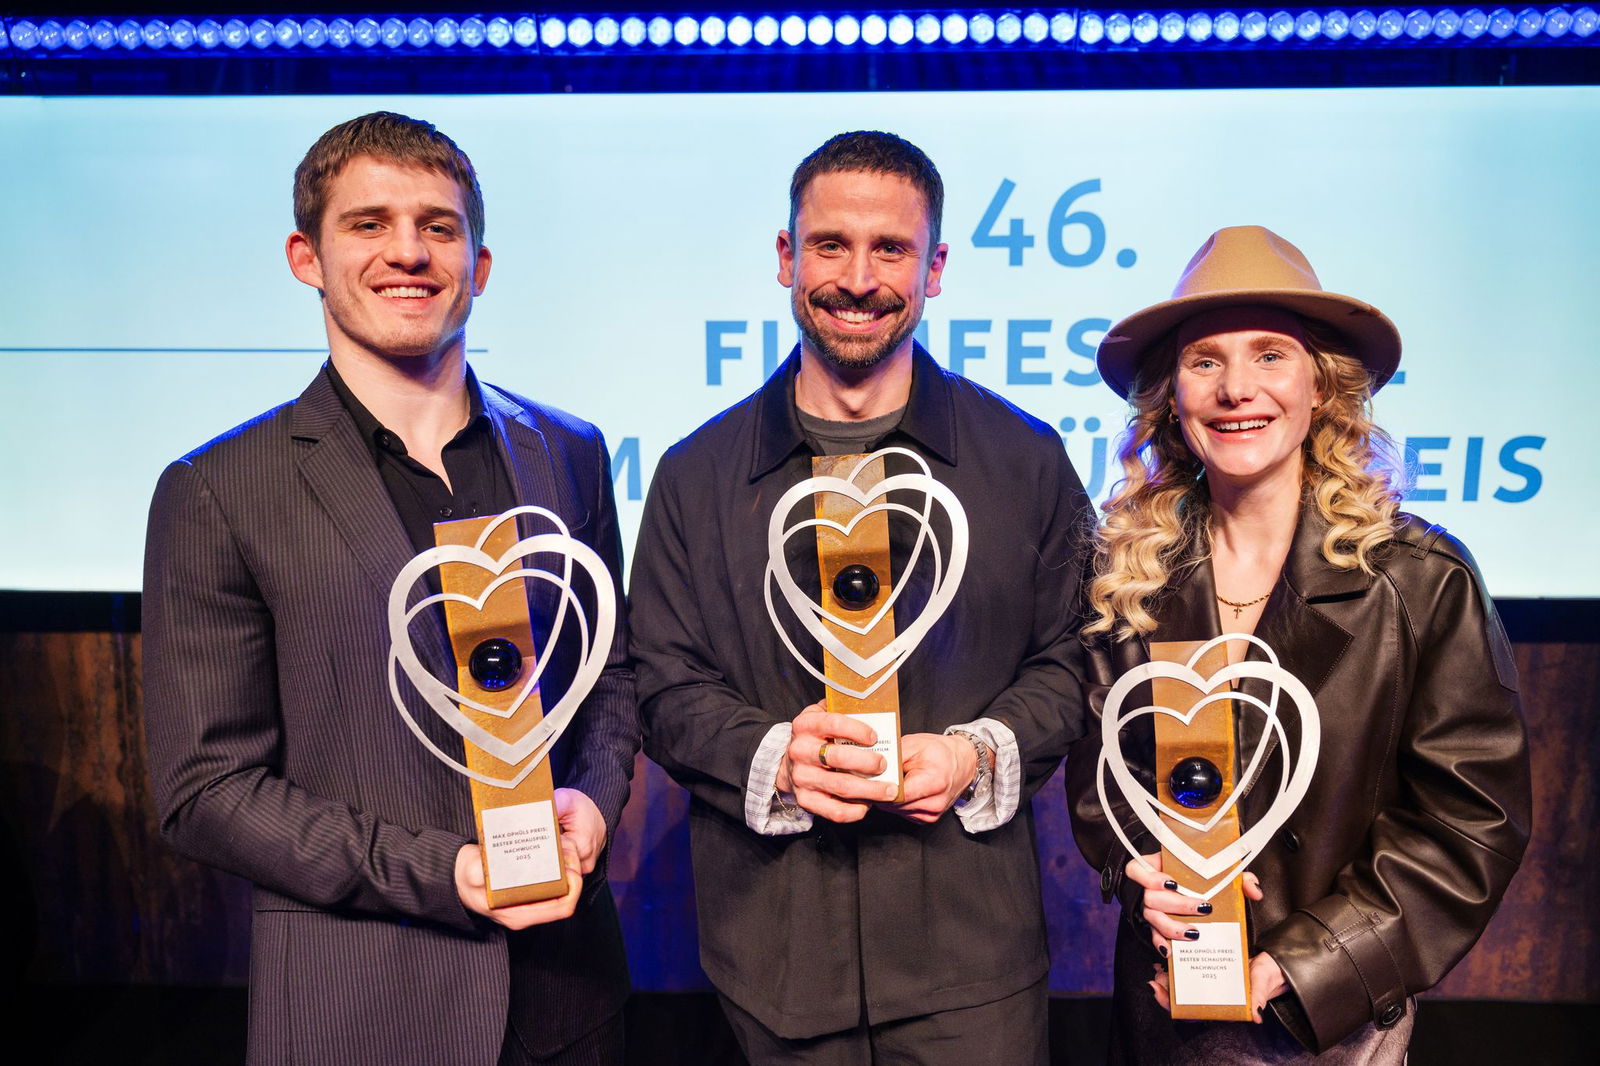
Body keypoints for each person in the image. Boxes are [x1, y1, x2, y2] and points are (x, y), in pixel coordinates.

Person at [142, 112, 637, 1066]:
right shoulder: (219, 489)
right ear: (307, 257)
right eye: (368, 224)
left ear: (478, 265)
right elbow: (206, 791)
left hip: (572, 996)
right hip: (365, 1009)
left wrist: (594, 799)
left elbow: (610, 675)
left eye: (437, 227)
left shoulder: (569, 451)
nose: (407, 251)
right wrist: (443, 871)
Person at [629, 130, 1090, 1064]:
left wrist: (972, 754)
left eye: (891, 249)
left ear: (935, 268)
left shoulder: (1027, 458)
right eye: (831, 245)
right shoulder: (693, 474)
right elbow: (664, 686)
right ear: (786, 256)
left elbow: (1074, 663)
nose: (859, 278)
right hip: (774, 961)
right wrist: (776, 759)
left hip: (973, 965)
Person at [1065, 226, 1531, 1063]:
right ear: (1171, 397)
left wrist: (1301, 965)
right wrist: (1141, 880)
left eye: (1270, 355)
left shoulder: (1420, 580)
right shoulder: (1125, 578)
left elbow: (1469, 827)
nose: (1236, 389)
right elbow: (1106, 788)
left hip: (1336, 1024)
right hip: (1165, 1008)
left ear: (1322, 387)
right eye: (1205, 360)